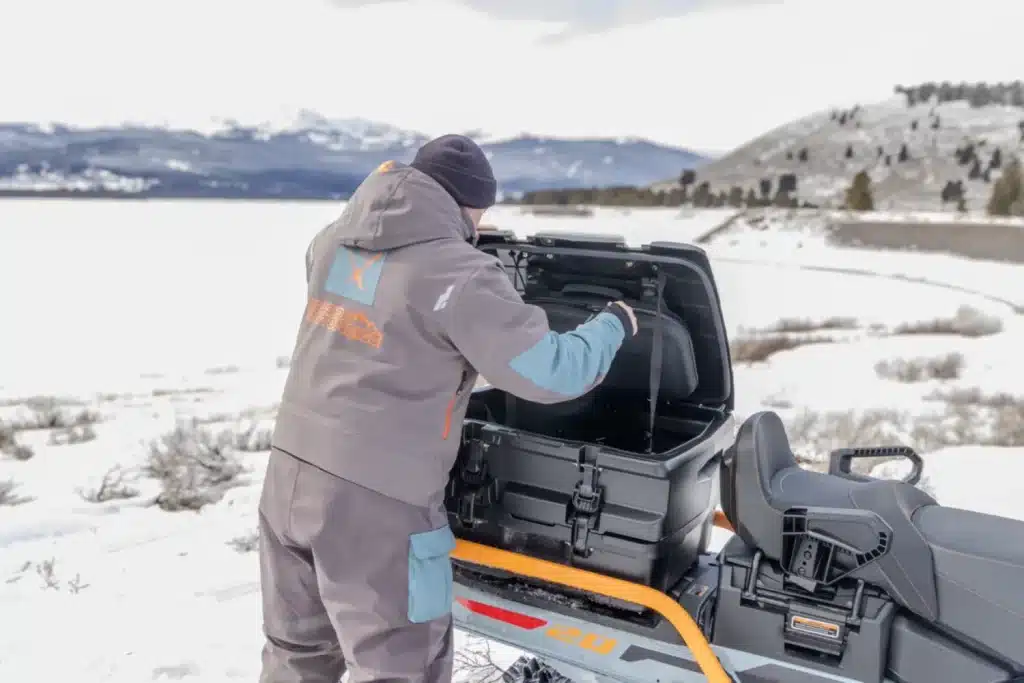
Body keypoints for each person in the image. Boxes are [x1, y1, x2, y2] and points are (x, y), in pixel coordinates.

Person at [258, 134, 638, 683]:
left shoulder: (333, 242)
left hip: (289, 473)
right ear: (472, 203)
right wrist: (613, 325)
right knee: (399, 667)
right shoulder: (458, 272)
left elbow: (378, 326)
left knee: (297, 656)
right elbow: (552, 371)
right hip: (377, 503)